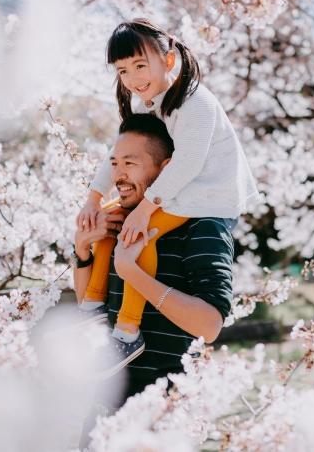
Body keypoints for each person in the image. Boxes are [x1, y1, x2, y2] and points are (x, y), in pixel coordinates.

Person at [73, 19, 258, 369]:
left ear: (168, 61)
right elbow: (114, 153)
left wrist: (145, 208)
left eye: (140, 65)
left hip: (209, 198)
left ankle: (126, 332)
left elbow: (187, 163)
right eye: (123, 70)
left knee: (138, 231)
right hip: (179, 193)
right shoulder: (147, 105)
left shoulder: (195, 103)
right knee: (111, 217)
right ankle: (93, 304)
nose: (132, 78)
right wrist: (94, 199)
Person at [71, 114, 237, 446]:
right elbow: (90, 307)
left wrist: (132, 270)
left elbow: (209, 325)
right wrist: (82, 250)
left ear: (167, 169)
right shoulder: (119, 219)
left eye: (130, 163)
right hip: (103, 414)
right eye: (114, 163)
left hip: (163, 417)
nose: (118, 174)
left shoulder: (202, 227)